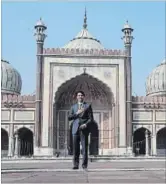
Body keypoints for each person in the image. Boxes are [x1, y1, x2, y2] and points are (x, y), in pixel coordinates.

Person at [68, 91, 94, 169]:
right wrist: (76, 113)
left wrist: (86, 124)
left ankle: (84, 165)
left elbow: (91, 119)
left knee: (84, 148)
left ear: (84, 96)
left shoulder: (87, 106)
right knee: (75, 148)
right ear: (76, 97)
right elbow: (69, 117)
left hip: (84, 129)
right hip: (75, 129)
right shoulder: (73, 107)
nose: (80, 96)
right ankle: (75, 165)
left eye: (81, 95)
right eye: (78, 95)